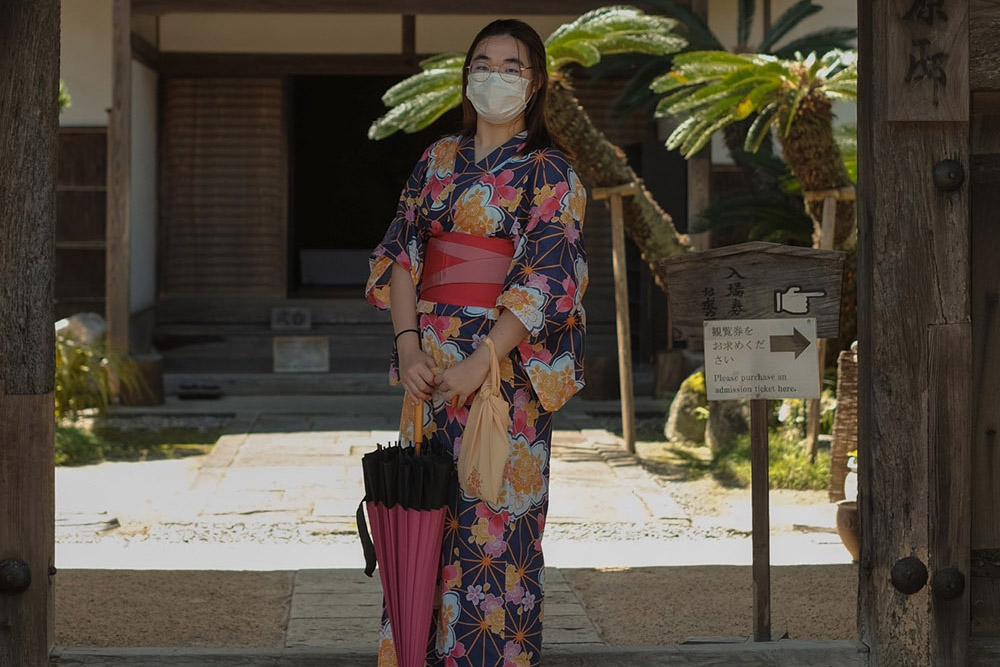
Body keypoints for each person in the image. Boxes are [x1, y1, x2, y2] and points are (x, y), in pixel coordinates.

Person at [365, 18, 587, 667]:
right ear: (467, 76)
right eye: (483, 63)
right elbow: (402, 253)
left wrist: (481, 360)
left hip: (504, 386)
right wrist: (409, 349)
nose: (495, 76)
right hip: (430, 377)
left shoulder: (552, 173)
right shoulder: (436, 161)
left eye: (512, 66)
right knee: (422, 526)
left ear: (536, 82)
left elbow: (546, 282)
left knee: (495, 534)